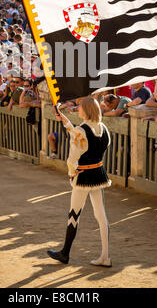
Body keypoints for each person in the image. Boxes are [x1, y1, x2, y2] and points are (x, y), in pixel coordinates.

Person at [47, 96, 112, 267]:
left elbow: (73, 156)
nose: (78, 109)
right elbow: (78, 134)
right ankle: (105, 256)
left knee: (74, 215)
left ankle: (65, 253)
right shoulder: (103, 128)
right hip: (98, 173)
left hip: (83, 176)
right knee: (101, 216)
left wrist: (71, 173)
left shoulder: (82, 131)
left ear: (87, 110)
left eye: (81, 107)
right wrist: (63, 118)